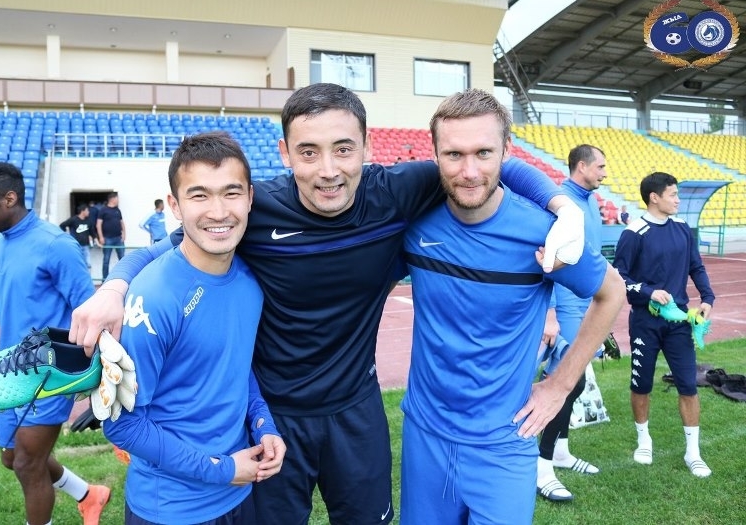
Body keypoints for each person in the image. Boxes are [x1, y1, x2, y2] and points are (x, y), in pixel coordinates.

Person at [69, 83, 587, 525]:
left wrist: (564, 206)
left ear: (367, 146)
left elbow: (485, 165)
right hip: (272, 417)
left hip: (355, 411)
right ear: (285, 153)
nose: (328, 169)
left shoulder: (397, 192)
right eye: (309, 151)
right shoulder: (253, 208)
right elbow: (173, 245)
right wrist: (114, 288)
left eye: (343, 149)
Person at [399, 88, 624, 525]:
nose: (469, 171)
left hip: (505, 442)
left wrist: (560, 385)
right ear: (435, 154)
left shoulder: (543, 232)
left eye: (484, 153)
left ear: (507, 150)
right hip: (424, 438)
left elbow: (611, 291)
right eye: (454, 154)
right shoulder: (413, 221)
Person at [102, 132, 286, 523]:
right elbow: (122, 426)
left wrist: (263, 424)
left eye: (231, 193)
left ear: (250, 198)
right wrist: (221, 469)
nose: (218, 212)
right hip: (171, 509)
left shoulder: (251, 280)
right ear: (175, 205)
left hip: (238, 493)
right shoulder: (151, 298)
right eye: (199, 195)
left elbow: (233, 368)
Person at [0, 162, 110, 525]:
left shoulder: (55, 245)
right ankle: (89, 494)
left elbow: (91, 311)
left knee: (27, 463)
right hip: (9, 370)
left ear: (9, 199)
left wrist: (96, 378)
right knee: (11, 457)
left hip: (49, 373)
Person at [612, 171, 715, 477]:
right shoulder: (634, 232)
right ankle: (644, 441)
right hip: (645, 322)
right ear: (654, 198)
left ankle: (693, 453)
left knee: (688, 385)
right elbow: (619, 278)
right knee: (641, 384)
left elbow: (696, 266)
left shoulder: (682, 229)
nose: (678, 200)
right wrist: (648, 292)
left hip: (679, 322)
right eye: (673, 195)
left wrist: (707, 297)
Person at [537, 144, 608, 501]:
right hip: (564, 305)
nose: (604, 173)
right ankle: (541, 465)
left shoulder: (591, 202)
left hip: (586, 305)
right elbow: (544, 256)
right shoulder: (560, 202)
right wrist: (549, 312)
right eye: (600, 167)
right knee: (563, 382)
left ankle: (561, 451)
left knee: (576, 384)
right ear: (582, 166)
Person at [96, 191, 126, 280]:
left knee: (122, 259)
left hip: (118, 238)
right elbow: (98, 224)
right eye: (117, 198)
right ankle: (104, 279)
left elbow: (121, 223)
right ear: (112, 199)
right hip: (107, 238)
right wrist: (101, 237)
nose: (118, 200)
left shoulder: (117, 210)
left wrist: (124, 234)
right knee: (106, 260)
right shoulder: (103, 210)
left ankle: (124, 278)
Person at [59, 203, 96, 269]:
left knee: (88, 264)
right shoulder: (73, 219)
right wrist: (65, 234)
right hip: (76, 245)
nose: (88, 212)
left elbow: (92, 232)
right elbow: (62, 225)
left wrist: (97, 241)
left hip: (85, 245)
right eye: (87, 210)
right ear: (82, 211)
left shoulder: (88, 221)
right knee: (76, 263)